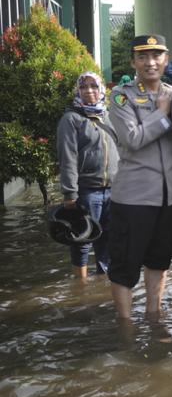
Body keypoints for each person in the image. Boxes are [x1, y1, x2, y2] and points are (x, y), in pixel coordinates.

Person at [106, 35, 172, 319]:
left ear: (166, 59)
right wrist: (162, 114)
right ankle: (125, 325)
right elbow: (133, 138)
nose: (151, 62)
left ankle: (153, 315)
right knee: (124, 265)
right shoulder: (121, 95)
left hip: (169, 197)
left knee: (160, 260)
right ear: (133, 62)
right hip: (134, 197)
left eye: (157, 56)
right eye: (143, 57)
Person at [57, 71, 119, 280]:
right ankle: (80, 285)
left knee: (108, 238)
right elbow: (68, 158)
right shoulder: (71, 119)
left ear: (102, 89)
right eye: (84, 87)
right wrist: (70, 193)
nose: (89, 91)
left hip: (113, 190)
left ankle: (103, 282)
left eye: (94, 86)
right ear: (77, 90)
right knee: (82, 239)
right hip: (86, 190)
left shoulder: (108, 116)